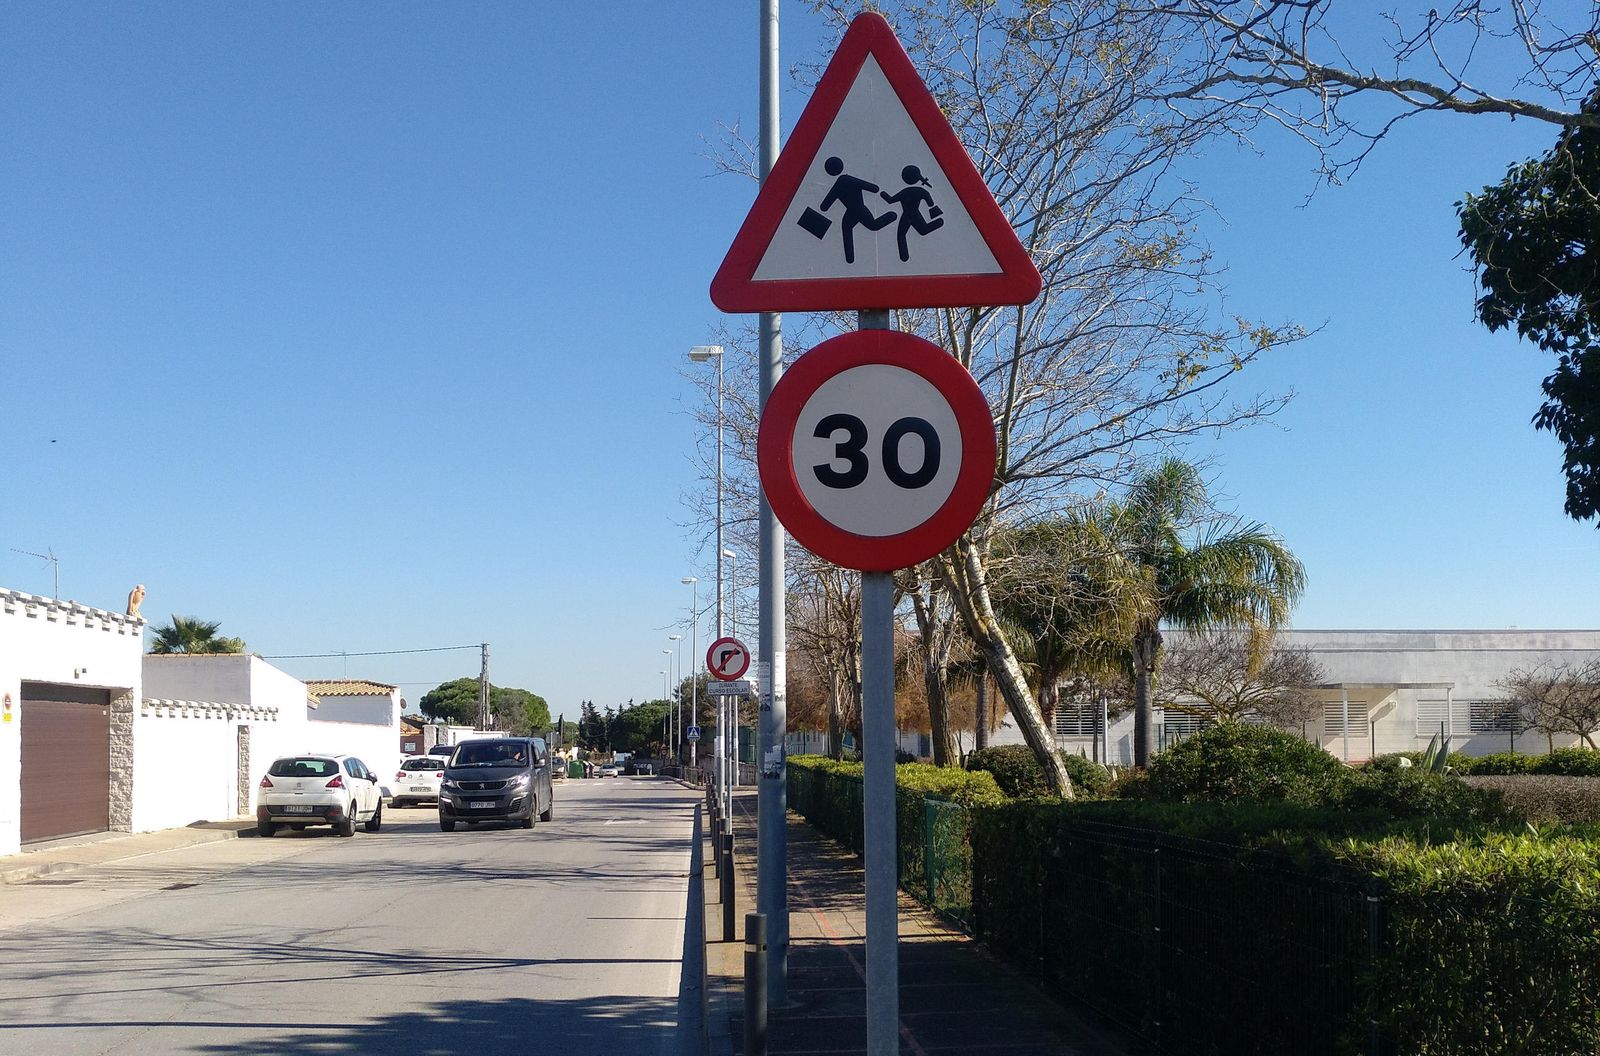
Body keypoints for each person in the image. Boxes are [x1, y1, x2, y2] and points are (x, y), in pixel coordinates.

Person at [818, 156, 897, 264]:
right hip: (856, 209)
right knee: (850, 227)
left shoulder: (840, 183)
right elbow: (873, 188)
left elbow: (825, 206)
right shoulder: (847, 180)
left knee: (871, 225)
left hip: (857, 209)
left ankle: (891, 216)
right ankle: (849, 260)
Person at [879, 165, 945, 263]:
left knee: (901, 235)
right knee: (923, 230)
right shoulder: (921, 191)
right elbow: (930, 203)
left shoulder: (905, 191)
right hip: (915, 214)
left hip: (906, 215)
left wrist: (883, 194)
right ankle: (939, 222)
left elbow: (890, 200)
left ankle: (904, 257)